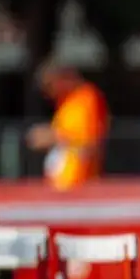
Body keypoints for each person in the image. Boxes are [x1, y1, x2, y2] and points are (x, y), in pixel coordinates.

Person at [25, 61, 110, 191]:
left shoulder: (87, 98)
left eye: (50, 85)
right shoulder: (65, 103)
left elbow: (89, 144)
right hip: (61, 185)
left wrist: (52, 137)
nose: (49, 92)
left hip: (79, 185)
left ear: (64, 78)